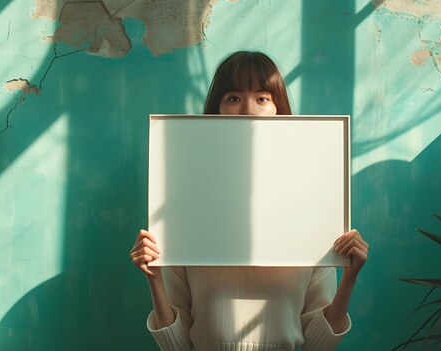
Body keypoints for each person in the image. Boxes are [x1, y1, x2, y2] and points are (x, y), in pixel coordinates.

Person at [130, 51, 369, 351]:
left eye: (262, 98)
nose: (247, 111)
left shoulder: (313, 207)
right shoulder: (185, 206)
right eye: (233, 98)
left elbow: (317, 345)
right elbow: (178, 346)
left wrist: (349, 277)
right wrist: (154, 278)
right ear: (216, 110)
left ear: (279, 110)